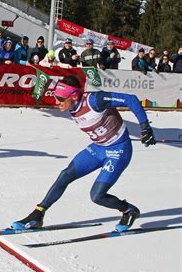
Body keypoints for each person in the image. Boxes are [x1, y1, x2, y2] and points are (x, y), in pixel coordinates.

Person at [11, 75, 156, 233]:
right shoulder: (72, 106)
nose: (56, 101)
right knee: (65, 175)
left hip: (118, 151)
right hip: (98, 148)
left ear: (73, 96)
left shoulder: (95, 100)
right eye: (55, 97)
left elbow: (131, 99)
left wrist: (145, 127)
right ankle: (37, 215)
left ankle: (129, 210)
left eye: (60, 98)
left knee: (97, 196)